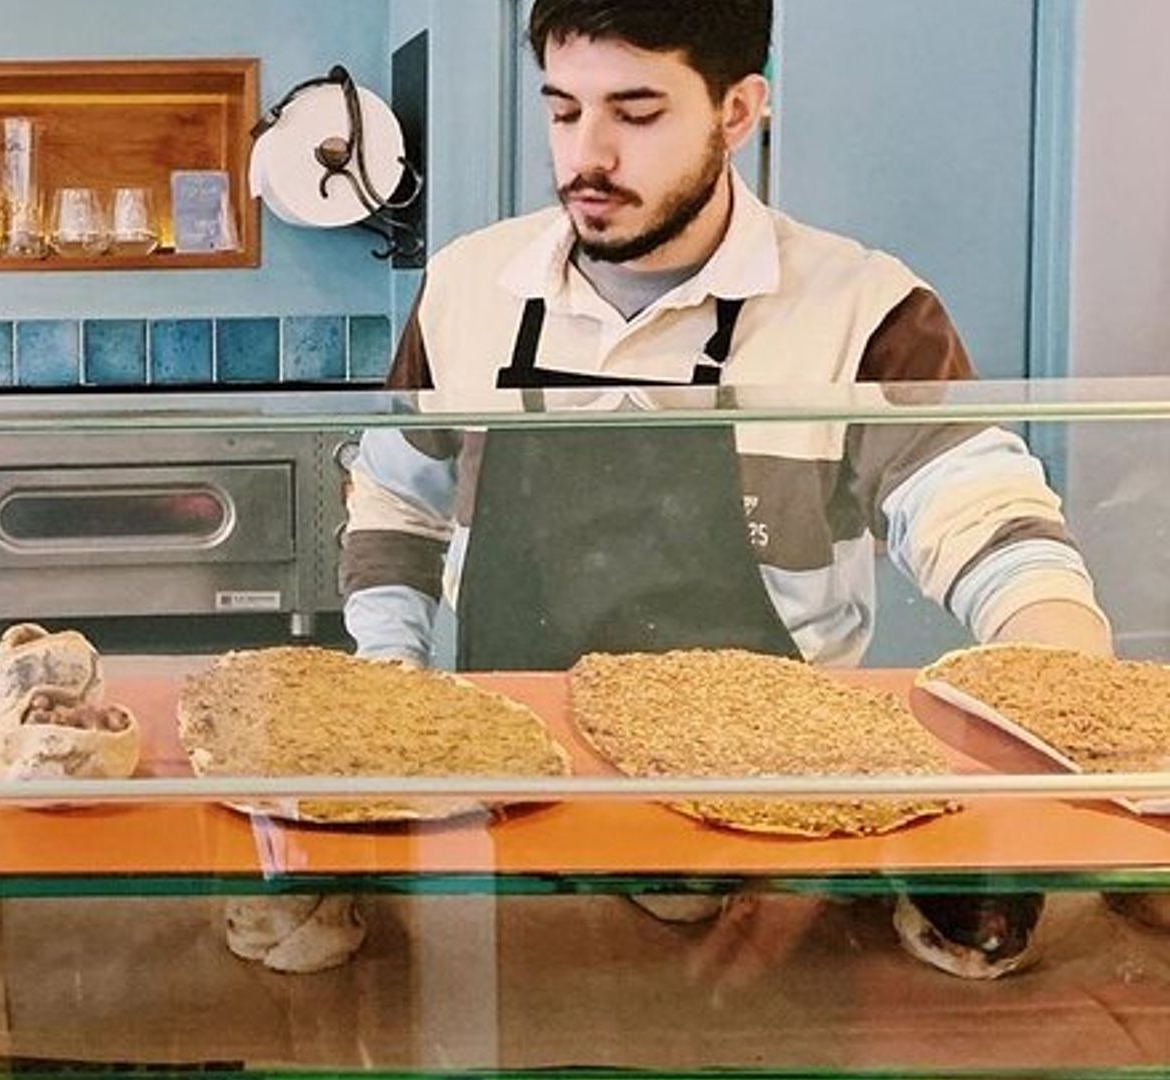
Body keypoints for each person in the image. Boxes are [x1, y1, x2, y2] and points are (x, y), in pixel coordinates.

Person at [341, 0, 1113, 979]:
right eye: (564, 110)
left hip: (774, 841)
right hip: (512, 805)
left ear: (738, 110)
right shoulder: (467, 286)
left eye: (636, 113)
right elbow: (396, 500)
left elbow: (987, 520)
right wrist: (395, 694)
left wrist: (1067, 693)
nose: (587, 157)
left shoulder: (864, 308)